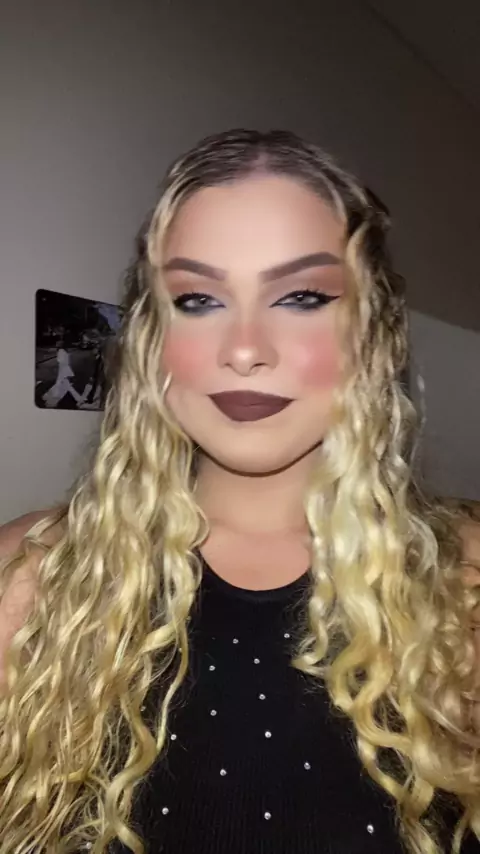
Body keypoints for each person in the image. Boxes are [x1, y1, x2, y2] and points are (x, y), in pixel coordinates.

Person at [1, 128, 480, 854]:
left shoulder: (464, 584)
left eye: (302, 296)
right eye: (198, 300)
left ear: (371, 334)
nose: (246, 348)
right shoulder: (31, 576)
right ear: (151, 341)